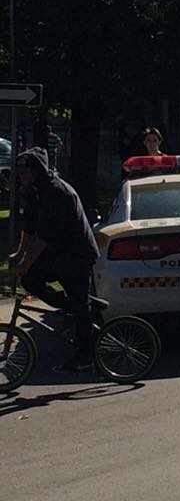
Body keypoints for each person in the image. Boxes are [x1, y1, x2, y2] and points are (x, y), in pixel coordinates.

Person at [7, 148, 100, 372]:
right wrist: (19, 254)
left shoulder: (56, 192)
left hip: (77, 253)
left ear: (38, 170)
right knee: (30, 280)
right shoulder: (35, 191)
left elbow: (43, 238)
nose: (23, 177)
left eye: (26, 172)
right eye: (20, 173)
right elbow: (29, 229)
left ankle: (85, 355)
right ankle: (70, 310)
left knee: (79, 303)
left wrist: (24, 264)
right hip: (59, 252)